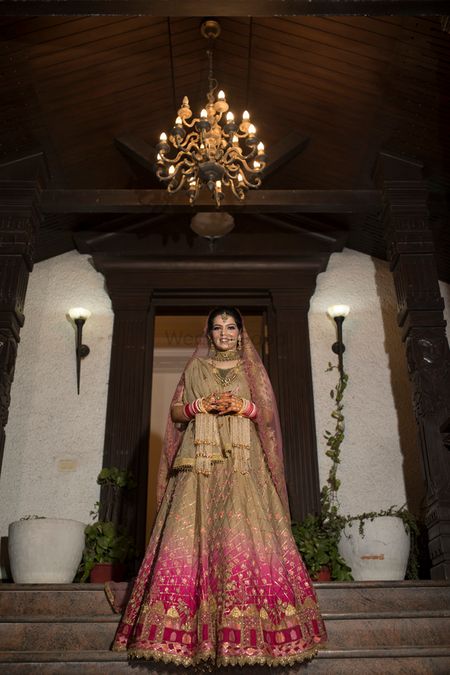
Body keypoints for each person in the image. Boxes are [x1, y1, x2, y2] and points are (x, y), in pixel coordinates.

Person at [111, 307, 327, 667]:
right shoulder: (196, 368)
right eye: (217, 328)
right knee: (193, 534)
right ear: (208, 334)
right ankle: (182, 633)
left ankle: (250, 633)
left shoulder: (249, 370)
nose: (224, 333)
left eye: (230, 327)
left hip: (243, 462)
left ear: (241, 333)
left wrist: (244, 406)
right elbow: (176, 411)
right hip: (200, 461)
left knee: (239, 534)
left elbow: (269, 415)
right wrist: (200, 405)